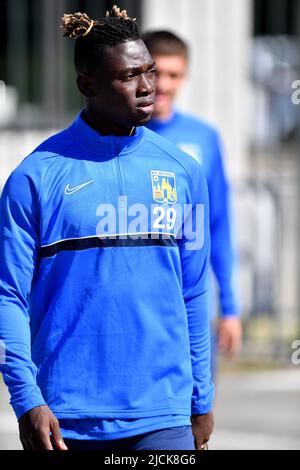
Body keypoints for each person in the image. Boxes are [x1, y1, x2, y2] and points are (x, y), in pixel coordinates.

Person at [0, 7, 214, 451]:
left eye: (150, 72)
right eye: (129, 76)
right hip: (65, 420)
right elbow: (8, 295)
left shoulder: (184, 173)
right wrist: (27, 400)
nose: (148, 87)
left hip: (164, 417)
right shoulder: (34, 178)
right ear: (87, 84)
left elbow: (193, 290)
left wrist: (202, 397)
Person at [143, 31, 242, 374]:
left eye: (175, 75)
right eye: (156, 73)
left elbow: (218, 223)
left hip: (190, 304)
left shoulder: (203, 138)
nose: (164, 85)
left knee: (196, 414)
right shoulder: (119, 136)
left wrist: (230, 308)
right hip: (137, 305)